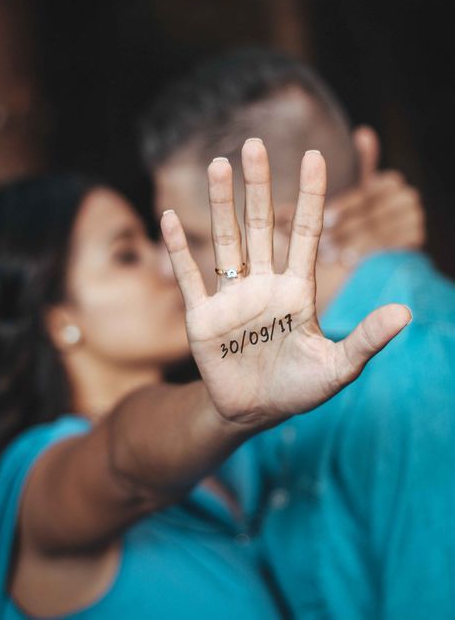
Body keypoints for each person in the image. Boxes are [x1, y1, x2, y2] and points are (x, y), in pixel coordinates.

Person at [0, 155, 409, 619]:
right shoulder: (34, 482)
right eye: (126, 255)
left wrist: (358, 249)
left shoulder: (239, 461)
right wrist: (220, 410)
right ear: (59, 319)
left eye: (151, 241)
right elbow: (122, 458)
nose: (167, 266)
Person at [139, 47, 455, 619]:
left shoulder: (421, 367)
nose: (166, 269)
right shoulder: (261, 352)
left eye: (194, 239)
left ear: (281, 223)